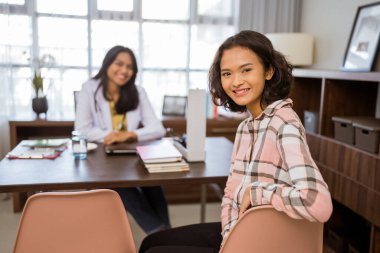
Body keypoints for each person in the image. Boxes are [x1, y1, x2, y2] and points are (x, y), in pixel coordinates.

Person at [138, 30, 333, 253]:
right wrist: (229, 240)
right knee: (150, 243)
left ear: (268, 71)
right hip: (243, 232)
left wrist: (258, 191)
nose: (236, 81)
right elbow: (231, 195)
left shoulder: (283, 123)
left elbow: (317, 202)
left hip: (269, 240)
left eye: (247, 70)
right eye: (227, 73)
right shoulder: (245, 127)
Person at [75, 45, 171, 234]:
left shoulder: (138, 91)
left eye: (130, 67)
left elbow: (158, 129)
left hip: (132, 155)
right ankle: (160, 233)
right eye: (119, 64)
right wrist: (111, 136)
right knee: (121, 184)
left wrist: (130, 134)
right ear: (107, 63)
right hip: (103, 159)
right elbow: (82, 129)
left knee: (152, 180)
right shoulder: (89, 89)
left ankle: (166, 235)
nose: (124, 70)